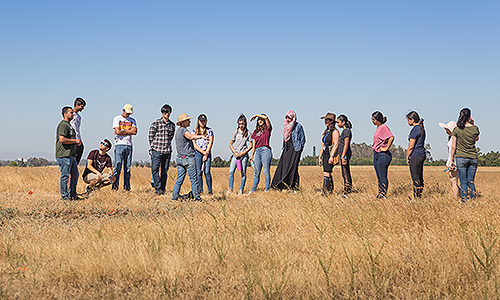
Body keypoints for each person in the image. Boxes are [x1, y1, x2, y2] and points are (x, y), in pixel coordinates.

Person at [172, 113, 208, 201]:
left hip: (179, 158)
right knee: (194, 179)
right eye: (188, 120)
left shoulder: (177, 131)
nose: (189, 121)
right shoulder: (184, 131)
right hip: (188, 158)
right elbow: (191, 137)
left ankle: (174, 197)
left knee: (179, 179)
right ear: (183, 122)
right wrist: (201, 136)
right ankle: (197, 198)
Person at [450, 108, 480, 203]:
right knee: (471, 181)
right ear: (469, 116)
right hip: (473, 157)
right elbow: (476, 139)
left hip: (461, 157)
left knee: (463, 182)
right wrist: (473, 123)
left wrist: (451, 160)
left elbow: (453, 146)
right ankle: (473, 201)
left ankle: (464, 201)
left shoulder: (457, 129)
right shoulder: (475, 128)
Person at [271, 110, 306, 191]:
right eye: (286, 117)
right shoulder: (285, 126)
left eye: (289, 117)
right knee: (283, 167)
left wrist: (299, 150)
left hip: (295, 149)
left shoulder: (298, 126)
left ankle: (294, 187)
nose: (287, 119)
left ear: (293, 117)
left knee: (293, 167)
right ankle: (280, 185)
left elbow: (303, 139)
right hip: (287, 148)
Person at [55, 106, 81, 200]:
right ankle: (64, 196)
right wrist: (75, 141)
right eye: (71, 112)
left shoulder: (69, 125)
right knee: (65, 175)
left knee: (75, 175)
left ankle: (72, 195)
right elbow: (62, 139)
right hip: (64, 154)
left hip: (71, 155)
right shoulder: (63, 125)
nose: (73, 114)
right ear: (65, 114)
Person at [149, 104, 175, 195]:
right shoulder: (155, 123)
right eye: (165, 112)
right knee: (155, 170)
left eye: (168, 112)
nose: (166, 114)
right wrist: (153, 148)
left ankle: (163, 189)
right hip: (157, 150)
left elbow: (171, 137)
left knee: (164, 171)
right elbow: (151, 137)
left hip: (167, 151)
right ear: (162, 113)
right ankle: (158, 188)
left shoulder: (172, 125)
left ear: (170, 113)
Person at [112, 104, 137, 191]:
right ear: (123, 110)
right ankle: (115, 187)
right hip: (119, 144)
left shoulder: (133, 120)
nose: (128, 115)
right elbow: (117, 132)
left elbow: (135, 132)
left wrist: (123, 131)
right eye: (127, 113)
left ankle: (127, 188)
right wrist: (129, 131)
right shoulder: (117, 119)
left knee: (127, 168)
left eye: (129, 113)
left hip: (129, 145)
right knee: (117, 167)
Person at [228, 114, 253, 194]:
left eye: (242, 124)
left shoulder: (248, 133)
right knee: (231, 171)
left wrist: (243, 153)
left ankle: (241, 189)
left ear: (245, 123)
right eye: (239, 124)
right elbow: (230, 144)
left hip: (244, 156)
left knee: (243, 173)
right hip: (236, 156)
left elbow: (251, 146)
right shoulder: (235, 133)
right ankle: (230, 189)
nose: (241, 125)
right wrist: (235, 152)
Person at [372, 111, 394, 198]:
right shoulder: (378, 128)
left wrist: (385, 148)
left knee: (382, 175)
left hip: (383, 154)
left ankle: (383, 193)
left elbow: (391, 137)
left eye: (374, 119)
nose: (372, 121)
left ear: (378, 120)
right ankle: (380, 192)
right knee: (378, 175)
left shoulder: (384, 127)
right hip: (376, 153)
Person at [405, 111, 427, 199]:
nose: (408, 122)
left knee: (415, 177)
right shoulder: (421, 128)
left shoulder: (415, 130)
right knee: (420, 176)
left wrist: (407, 156)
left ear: (412, 120)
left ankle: (416, 197)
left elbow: (411, 146)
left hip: (415, 155)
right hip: (422, 154)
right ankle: (420, 195)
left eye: (408, 120)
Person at [249, 114, 273, 193]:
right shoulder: (255, 131)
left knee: (266, 171)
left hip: (265, 150)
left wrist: (256, 115)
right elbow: (254, 145)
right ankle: (253, 190)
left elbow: (266, 117)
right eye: (259, 119)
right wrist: (252, 155)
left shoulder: (267, 129)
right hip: (257, 151)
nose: (260, 121)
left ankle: (267, 189)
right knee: (256, 172)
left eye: (261, 119)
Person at [192, 114, 214, 195]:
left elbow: (211, 141)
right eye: (201, 121)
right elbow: (194, 144)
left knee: (207, 171)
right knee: (198, 172)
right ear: (198, 121)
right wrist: (202, 152)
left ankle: (210, 190)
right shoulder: (194, 131)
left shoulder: (209, 130)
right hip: (198, 153)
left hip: (207, 152)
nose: (203, 122)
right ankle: (200, 190)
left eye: (204, 121)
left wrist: (206, 152)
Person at [318, 112, 339, 195]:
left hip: (330, 153)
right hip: (325, 153)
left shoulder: (335, 132)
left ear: (332, 121)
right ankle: (329, 191)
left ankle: (325, 192)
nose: (326, 121)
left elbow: (335, 145)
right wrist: (320, 156)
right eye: (325, 120)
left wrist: (331, 156)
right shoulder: (326, 131)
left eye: (328, 120)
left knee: (327, 172)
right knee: (326, 173)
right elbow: (323, 144)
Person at [438, 121, 460, 199]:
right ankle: (460, 196)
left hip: (453, 162)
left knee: (453, 182)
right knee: (455, 182)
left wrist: (451, 162)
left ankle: (455, 198)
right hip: (457, 161)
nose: (446, 131)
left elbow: (452, 151)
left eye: (447, 130)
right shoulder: (456, 138)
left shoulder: (452, 140)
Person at [336, 114, 353, 196]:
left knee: (346, 172)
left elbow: (346, 145)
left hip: (345, 154)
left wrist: (343, 156)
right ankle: (347, 189)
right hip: (343, 153)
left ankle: (347, 190)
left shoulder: (347, 131)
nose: (337, 124)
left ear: (343, 122)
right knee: (344, 172)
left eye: (338, 122)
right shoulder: (344, 131)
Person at [70, 97, 86, 165]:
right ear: (76, 105)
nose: (82, 108)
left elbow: (77, 129)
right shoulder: (70, 115)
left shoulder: (79, 117)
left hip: (78, 140)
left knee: (75, 164)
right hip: (73, 141)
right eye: (81, 106)